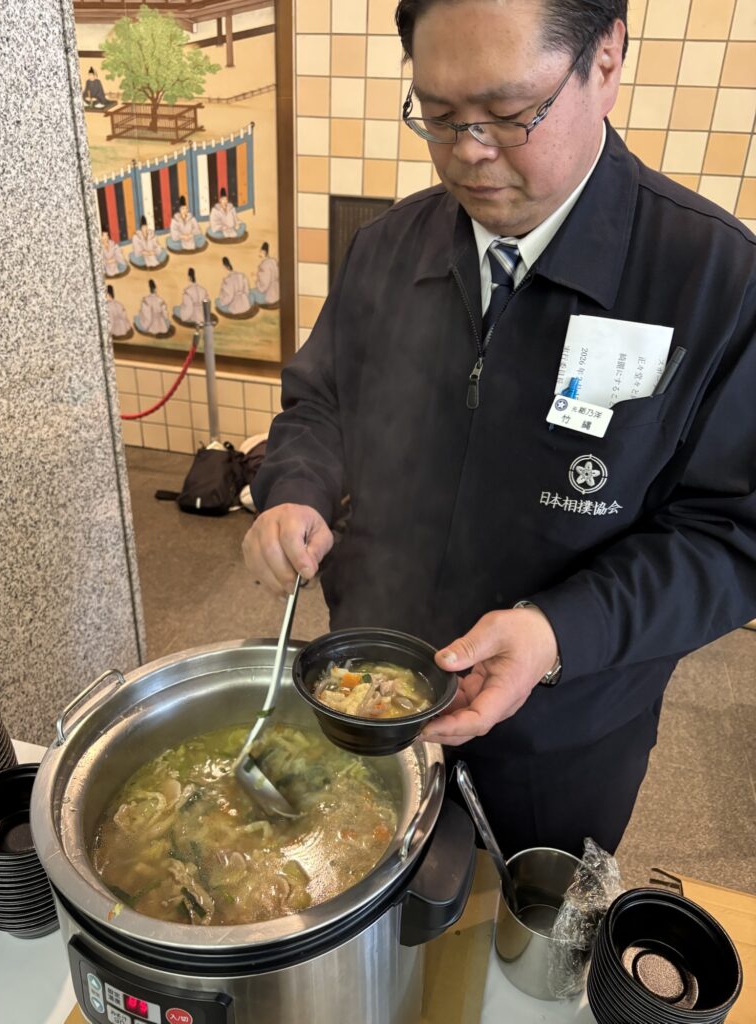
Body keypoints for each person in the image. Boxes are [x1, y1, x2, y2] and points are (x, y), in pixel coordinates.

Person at [243, 0, 756, 859]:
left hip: (561, 734)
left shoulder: (716, 280)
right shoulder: (388, 247)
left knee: (515, 928)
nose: (469, 151)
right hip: (371, 694)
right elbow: (319, 401)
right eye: (439, 115)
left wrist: (559, 633)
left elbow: (732, 536)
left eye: (510, 113)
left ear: (605, 62)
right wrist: (294, 491)